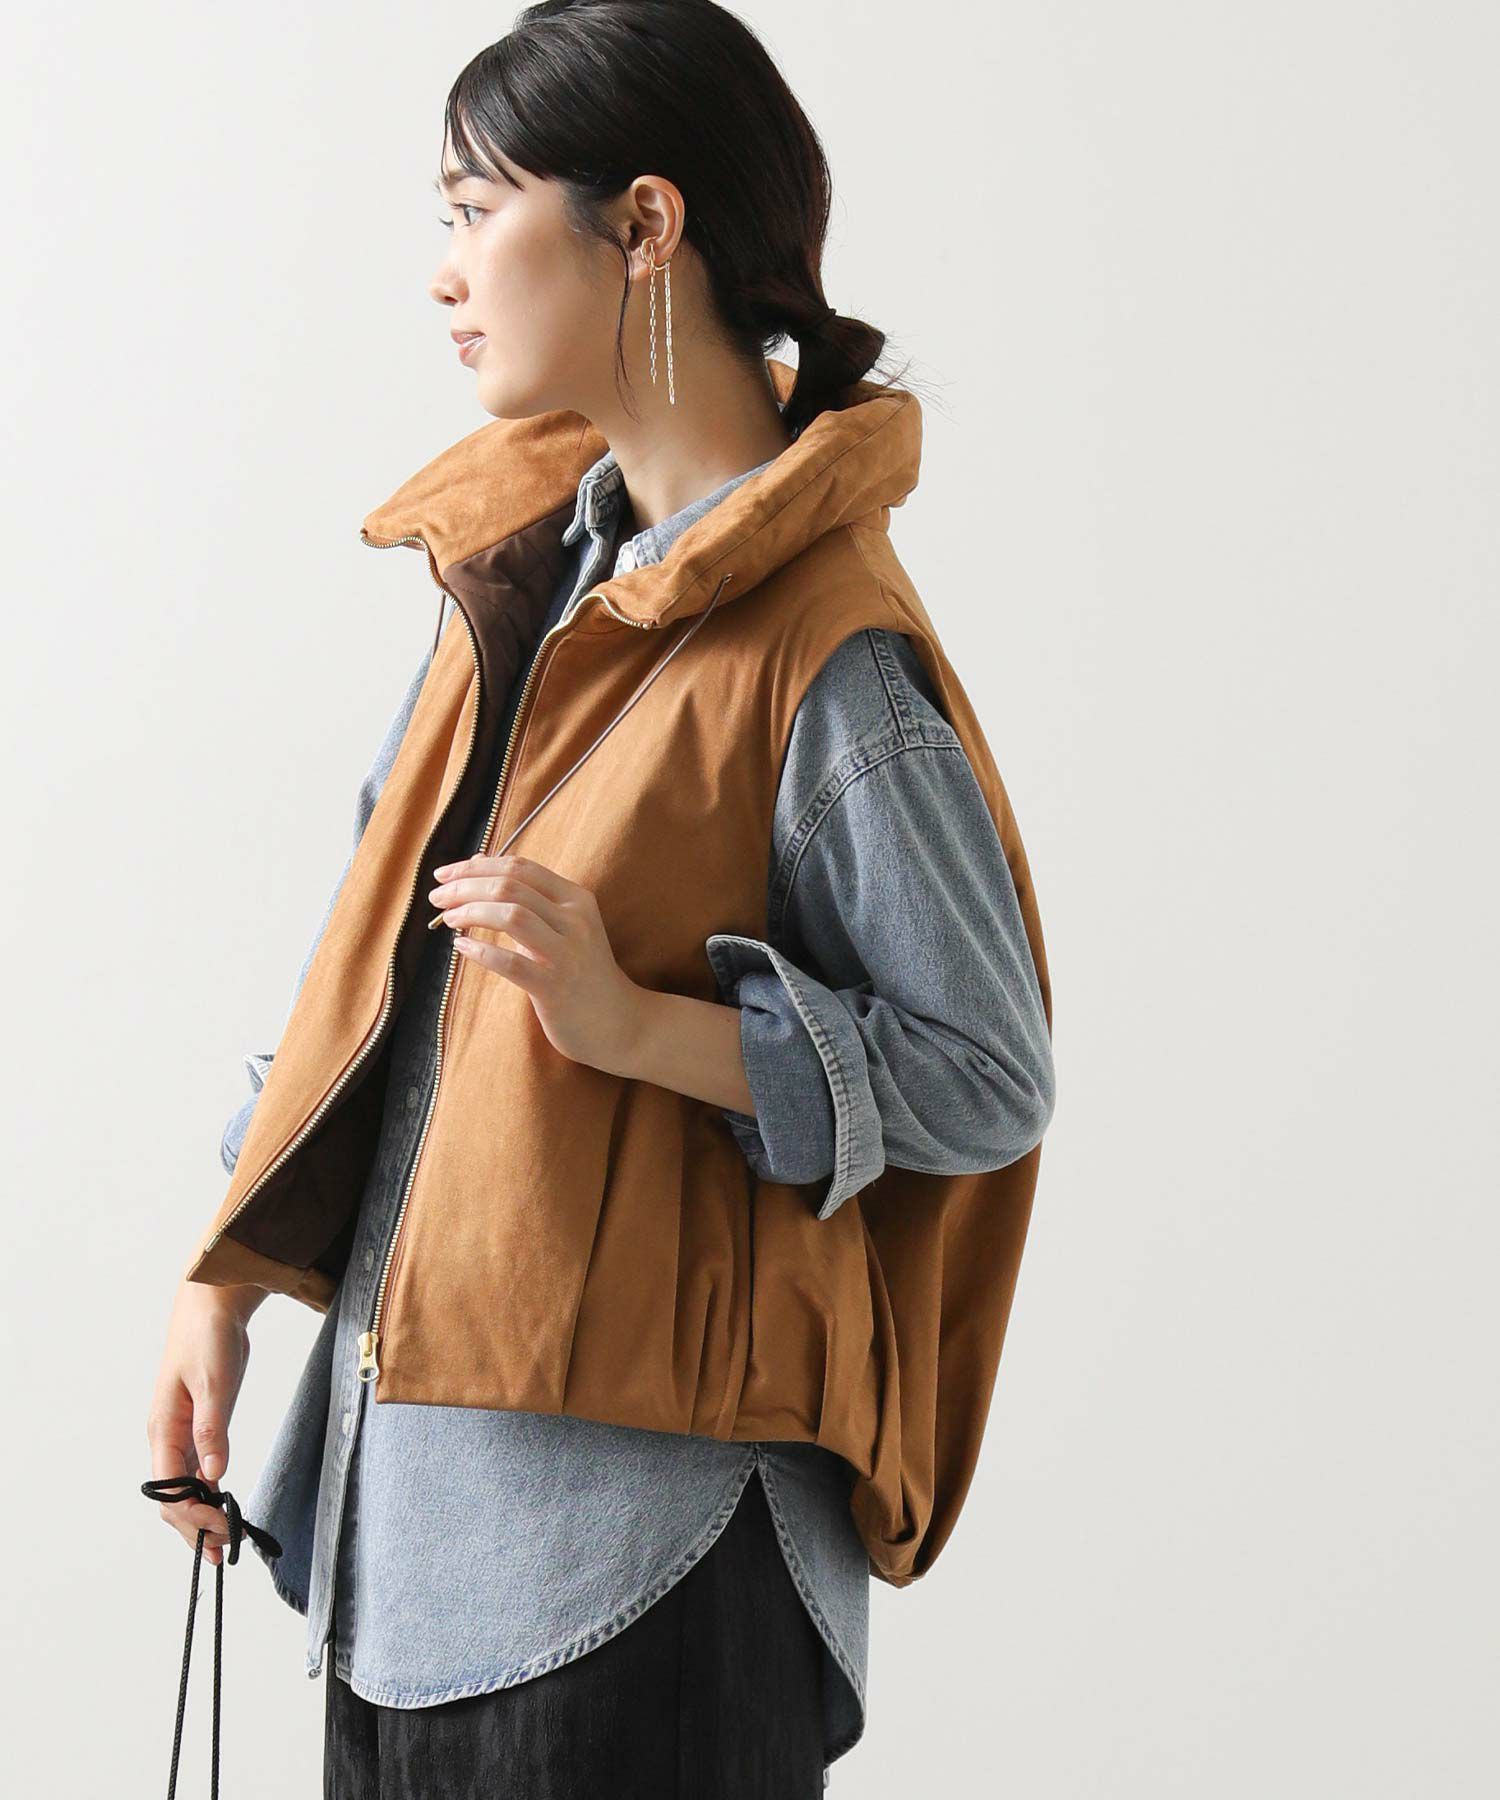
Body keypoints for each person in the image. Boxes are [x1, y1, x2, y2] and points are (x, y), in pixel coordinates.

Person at [146, 4, 1057, 1794]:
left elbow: (988, 1074)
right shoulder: (518, 592)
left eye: (475, 210)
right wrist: (224, 1277)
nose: (443, 270)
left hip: (654, 1559)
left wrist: (639, 1024)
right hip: (403, 1534)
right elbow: (378, 986)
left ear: (646, 224)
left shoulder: (827, 651)